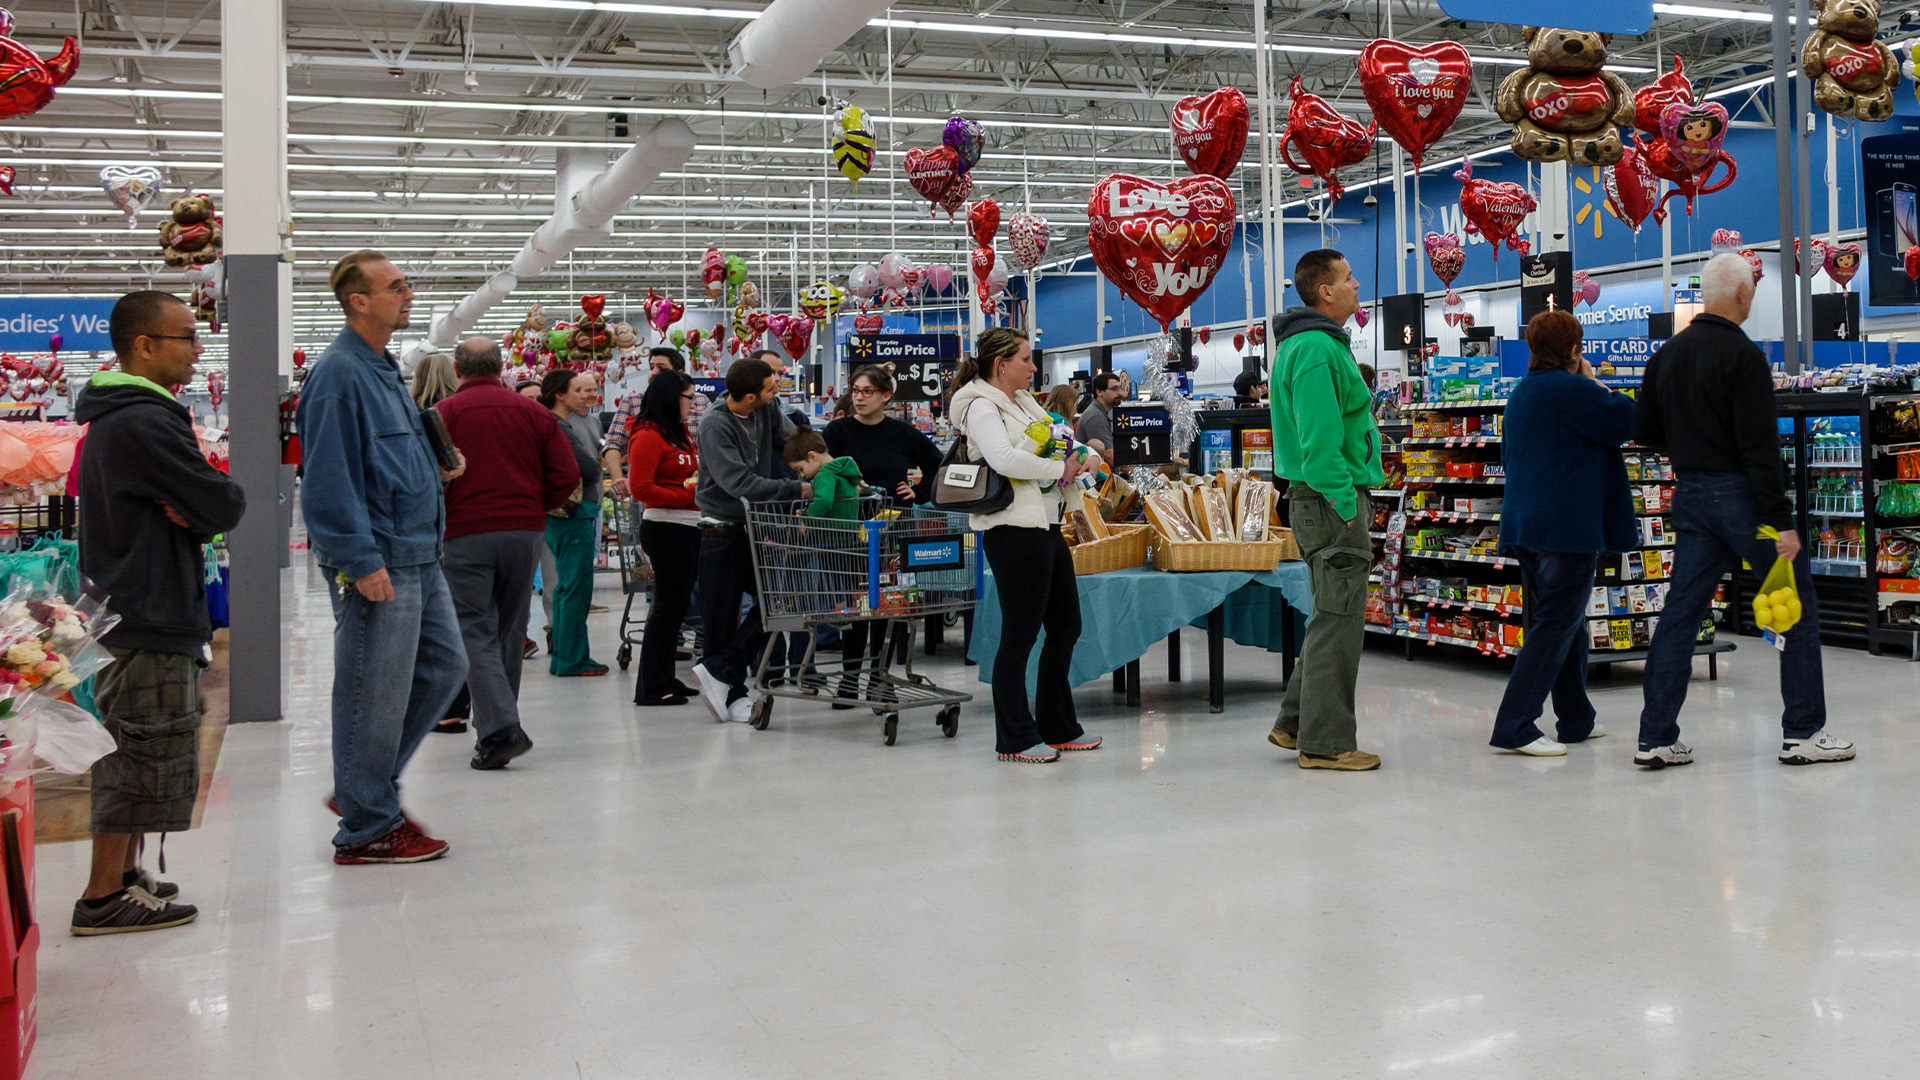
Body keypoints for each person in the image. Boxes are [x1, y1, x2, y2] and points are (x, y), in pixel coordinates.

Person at [68, 290, 247, 934]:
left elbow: (201, 504)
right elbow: (222, 502)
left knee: (148, 746)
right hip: (145, 610)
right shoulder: (143, 422)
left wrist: (196, 508)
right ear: (144, 346)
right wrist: (203, 506)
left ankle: (123, 877)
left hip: (138, 603)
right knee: (136, 749)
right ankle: (99, 897)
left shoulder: (128, 416)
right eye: (186, 337)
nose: (198, 349)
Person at [1633, 252, 1853, 768]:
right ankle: (1802, 733)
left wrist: (1690, 445)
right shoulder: (1744, 357)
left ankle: (1656, 738)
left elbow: (1644, 433)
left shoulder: (1666, 356)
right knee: (1793, 607)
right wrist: (1781, 522)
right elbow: (1759, 448)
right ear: (1743, 295)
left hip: (1689, 496)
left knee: (1681, 615)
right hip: (1744, 500)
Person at [300, 249, 468, 864]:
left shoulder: (383, 369)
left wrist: (436, 469)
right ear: (358, 301)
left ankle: (362, 789)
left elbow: (382, 461)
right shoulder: (339, 373)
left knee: (445, 669)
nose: (409, 294)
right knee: (374, 690)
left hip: (420, 550)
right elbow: (325, 478)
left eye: (408, 284)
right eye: (396, 287)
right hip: (382, 556)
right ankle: (367, 826)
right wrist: (358, 560)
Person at [950, 328, 1102, 763]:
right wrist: (1060, 470)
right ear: (1001, 365)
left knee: (1066, 625)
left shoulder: (1024, 401)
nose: (1034, 367)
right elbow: (1003, 458)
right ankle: (1014, 737)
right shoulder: (981, 405)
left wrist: (1084, 455)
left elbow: (1060, 437)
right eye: (1026, 359)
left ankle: (1057, 725)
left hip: (1047, 524)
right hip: (1013, 528)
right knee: (1020, 635)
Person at [1488, 311, 1635, 756]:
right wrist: (1592, 382)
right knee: (1557, 624)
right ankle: (1515, 725)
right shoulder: (1574, 391)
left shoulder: (1522, 394)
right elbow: (1626, 419)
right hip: (1565, 527)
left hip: (1525, 524)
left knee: (1567, 624)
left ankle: (1576, 718)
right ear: (1574, 350)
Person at [436, 337, 580, 769]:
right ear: (501, 367)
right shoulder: (534, 412)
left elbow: (427, 475)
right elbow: (567, 472)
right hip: (524, 531)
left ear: (457, 371)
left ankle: (500, 730)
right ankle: (497, 729)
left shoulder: (444, 416)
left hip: (464, 532)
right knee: (509, 629)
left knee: (472, 630)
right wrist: (537, 504)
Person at [1266, 248, 1384, 772]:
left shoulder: (1311, 344)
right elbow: (1320, 441)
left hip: (1319, 499)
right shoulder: (1316, 348)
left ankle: (1294, 723)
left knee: (1328, 616)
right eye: (1349, 278)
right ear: (1325, 292)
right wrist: (1346, 504)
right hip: (1330, 499)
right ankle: (1327, 742)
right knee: (1340, 620)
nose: (1357, 285)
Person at [690, 357, 805, 723]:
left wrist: (830, 464)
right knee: (720, 618)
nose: (777, 392)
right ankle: (731, 693)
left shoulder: (765, 411)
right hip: (720, 528)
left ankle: (719, 670)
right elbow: (738, 483)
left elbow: (793, 442)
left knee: (779, 602)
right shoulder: (715, 425)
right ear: (751, 395)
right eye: (772, 388)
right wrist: (797, 488)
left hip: (755, 528)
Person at [823, 364, 946, 697]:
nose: (859, 397)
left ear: (886, 396)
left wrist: (919, 492)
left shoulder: (902, 432)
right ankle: (849, 681)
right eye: (855, 390)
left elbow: (936, 463)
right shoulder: (837, 432)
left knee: (887, 606)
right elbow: (821, 472)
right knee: (857, 605)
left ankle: (880, 679)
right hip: (851, 530)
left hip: (894, 529)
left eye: (867, 392)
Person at [626, 369, 703, 707]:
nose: (693, 403)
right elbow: (640, 488)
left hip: (688, 526)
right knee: (667, 608)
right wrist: (686, 497)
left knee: (675, 610)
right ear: (673, 398)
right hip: (666, 527)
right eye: (689, 397)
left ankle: (666, 675)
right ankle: (651, 687)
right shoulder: (646, 436)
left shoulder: (678, 434)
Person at [541, 368, 609, 677]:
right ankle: (573, 659)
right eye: (575, 389)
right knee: (575, 589)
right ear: (560, 394)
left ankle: (564, 656)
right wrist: (595, 467)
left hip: (559, 514)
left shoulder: (553, 424)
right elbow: (587, 468)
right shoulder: (558, 427)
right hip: (573, 513)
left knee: (564, 588)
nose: (582, 395)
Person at [605, 346, 706, 499]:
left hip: (693, 490)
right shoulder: (634, 402)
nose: (653, 373)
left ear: (678, 375)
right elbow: (613, 443)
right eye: (651, 367)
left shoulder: (700, 401)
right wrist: (618, 478)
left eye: (661, 368)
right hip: (655, 495)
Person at [784, 429, 864, 520]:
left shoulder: (824, 476)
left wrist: (807, 516)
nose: (802, 475)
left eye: (800, 469)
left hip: (831, 530)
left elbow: (824, 501)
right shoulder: (843, 471)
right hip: (849, 528)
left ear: (812, 456)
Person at [1074, 371, 1124, 465]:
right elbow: (1109, 455)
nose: (1120, 393)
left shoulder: (1100, 412)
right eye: (1114, 389)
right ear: (1099, 392)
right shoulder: (1095, 416)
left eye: (1120, 388)